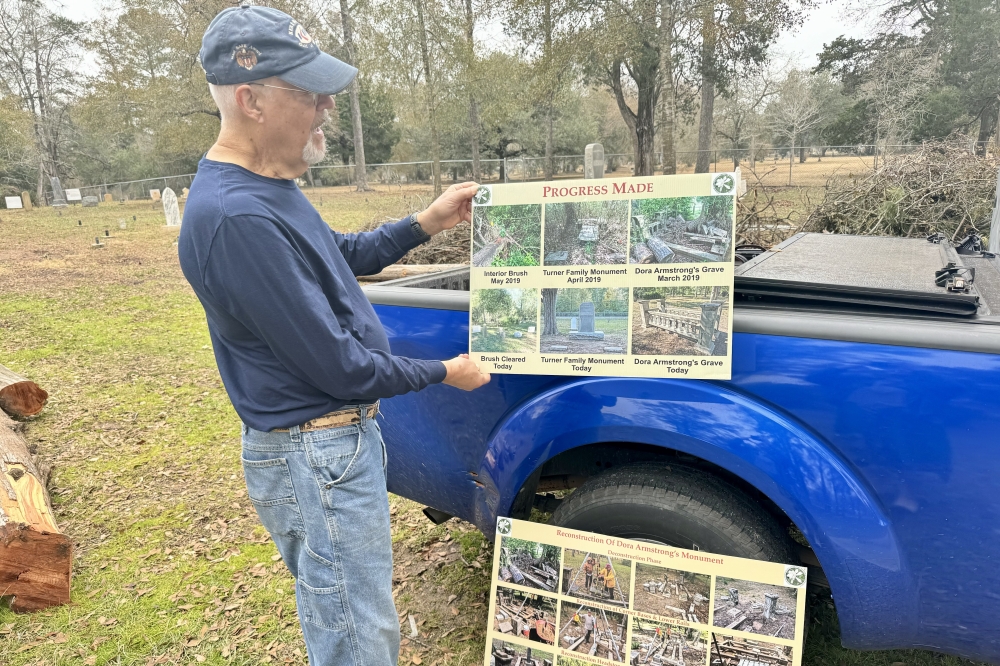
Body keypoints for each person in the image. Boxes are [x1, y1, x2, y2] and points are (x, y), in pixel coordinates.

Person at [178, 6, 490, 666]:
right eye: (309, 93)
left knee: (349, 613)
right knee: (357, 634)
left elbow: (337, 251)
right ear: (250, 99)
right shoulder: (236, 216)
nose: (325, 107)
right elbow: (341, 369)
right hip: (315, 454)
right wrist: (445, 372)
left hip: (325, 448)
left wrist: (425, 222)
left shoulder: (265, 188)